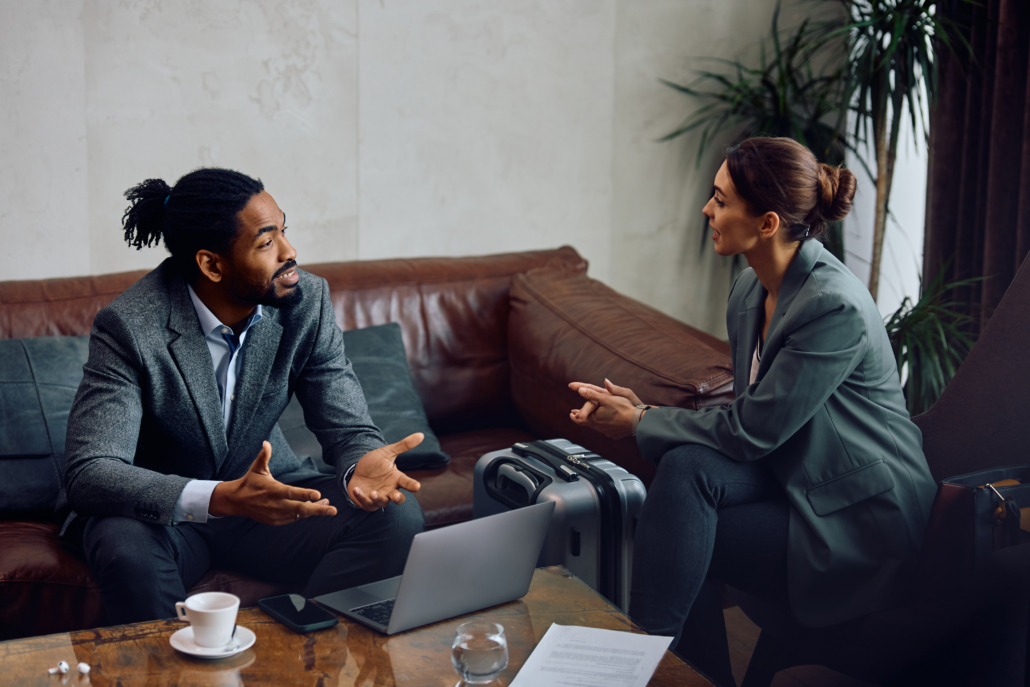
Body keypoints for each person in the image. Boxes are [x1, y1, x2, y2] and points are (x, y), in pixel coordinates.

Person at [568, 138, 936, 685]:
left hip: (861, 514)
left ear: (766, 222)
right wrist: (642, 411)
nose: (706, 210)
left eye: (720, 199)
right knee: (685, 472)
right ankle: (665, 668)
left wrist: (641, 419)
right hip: (795, 472)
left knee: (682, 524)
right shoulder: (749, 290)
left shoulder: (833, 306)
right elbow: (758, 418)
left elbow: (753, 428)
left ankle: (644, 666)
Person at [63, 168, 425, 624]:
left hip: (265, 505)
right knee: (124, 547)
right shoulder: (132, 326)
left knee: (396, 518)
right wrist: (220, 497)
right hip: (166, 520)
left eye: (285, 231)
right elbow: (90, 472)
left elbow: (345, 420)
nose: (291, 253)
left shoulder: (305, 300)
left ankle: (306, 658)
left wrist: (360, 461)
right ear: (212, 264)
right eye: (266, 242)